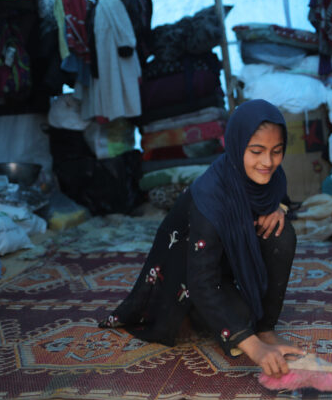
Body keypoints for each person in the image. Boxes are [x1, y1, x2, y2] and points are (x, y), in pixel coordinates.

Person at [99, 99, 305, 376]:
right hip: (187, 276)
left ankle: (266, 329)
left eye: (276, 151)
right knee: (240, 325)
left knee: (282, 234)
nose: (267, 162)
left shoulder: (271, 176)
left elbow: (277, 194)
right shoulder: (210, 199)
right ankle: (196, 317)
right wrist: (253, 347)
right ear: (235, 144)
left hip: (225, 262)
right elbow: (201, 280)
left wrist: (277, 208)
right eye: (256, 151)